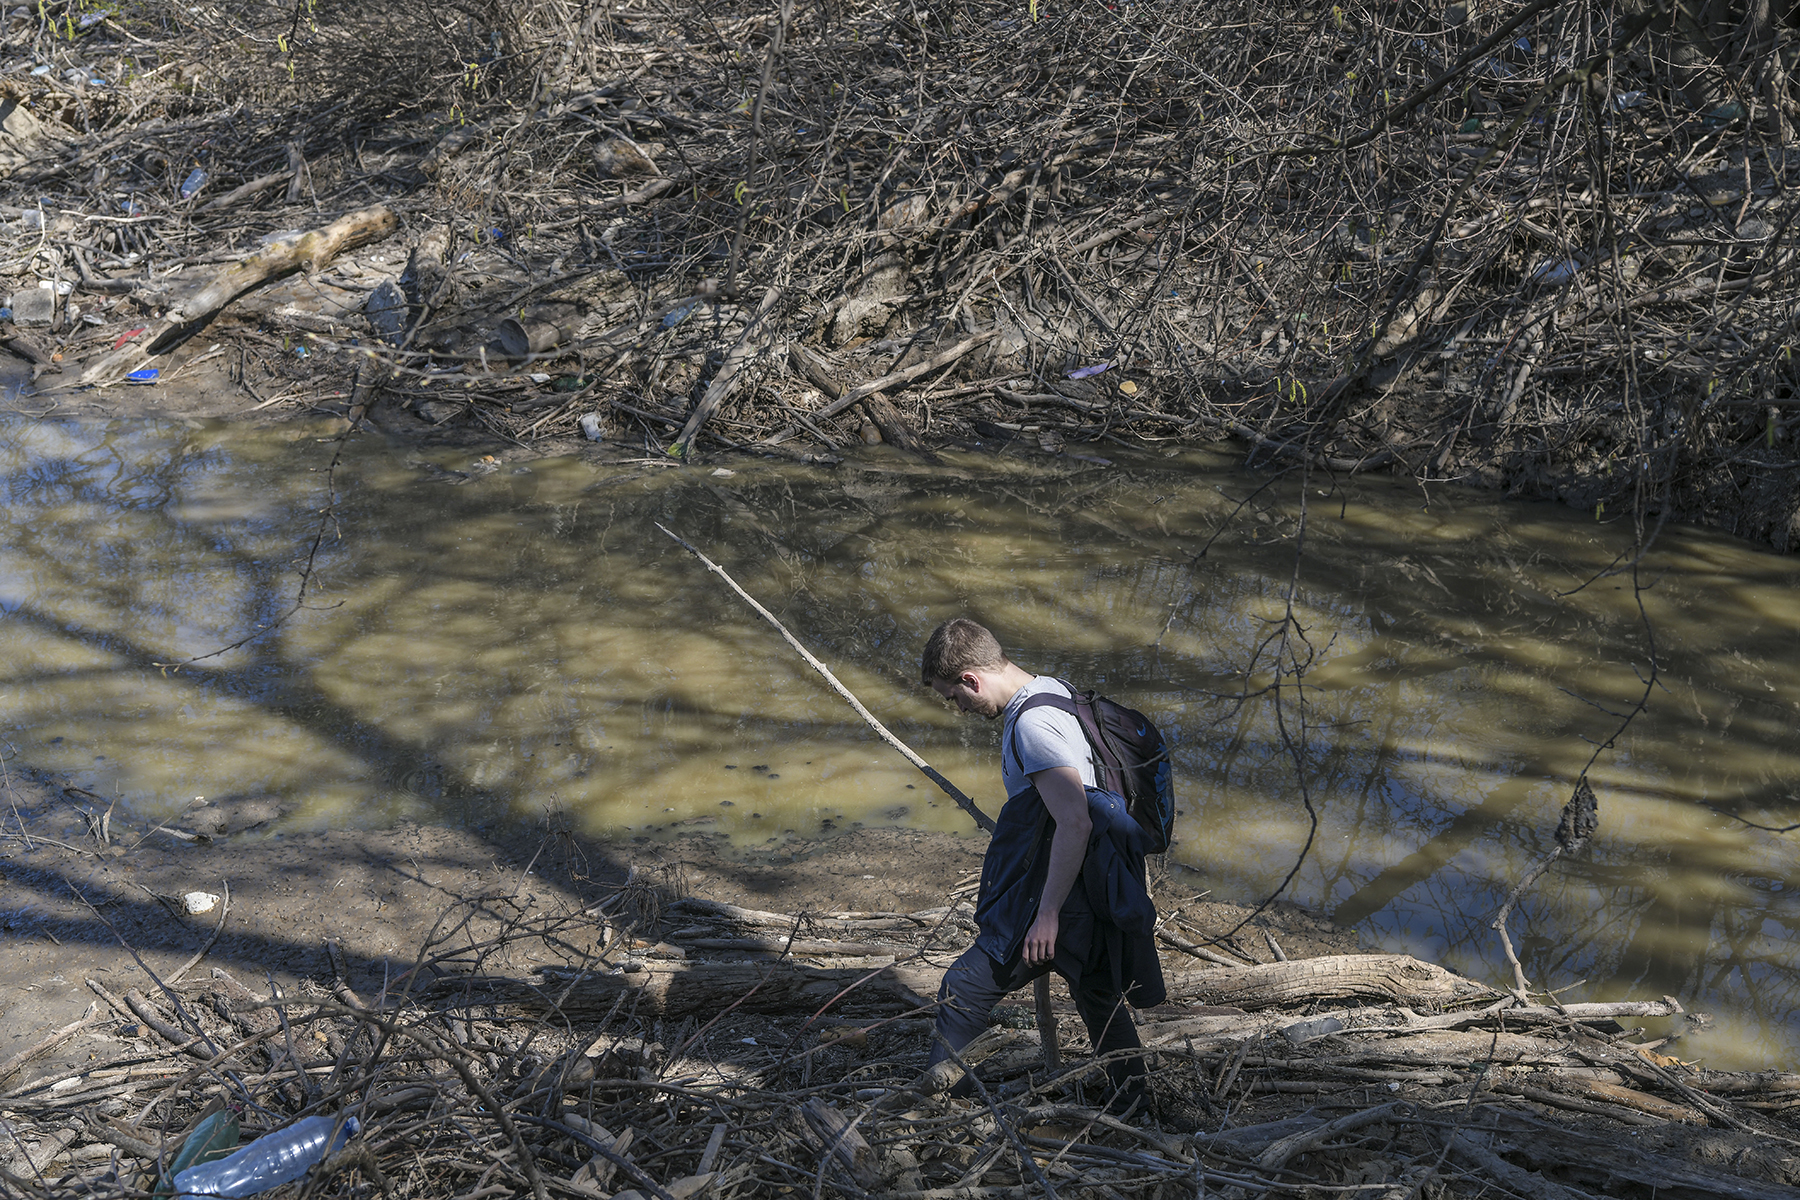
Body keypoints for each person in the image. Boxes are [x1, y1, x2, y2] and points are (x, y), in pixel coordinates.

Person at [920, 618, 1163, 1114]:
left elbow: (1074, 821)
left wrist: (1047, 913)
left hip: (1064, 893)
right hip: (1096, 885)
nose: (959, 709)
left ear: (971, 679)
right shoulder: (1053, 690)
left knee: (964, 988)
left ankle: (945, 1105)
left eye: (955, 696)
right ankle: (1137, 1106)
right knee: (1097, 994)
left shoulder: (1031, 726)